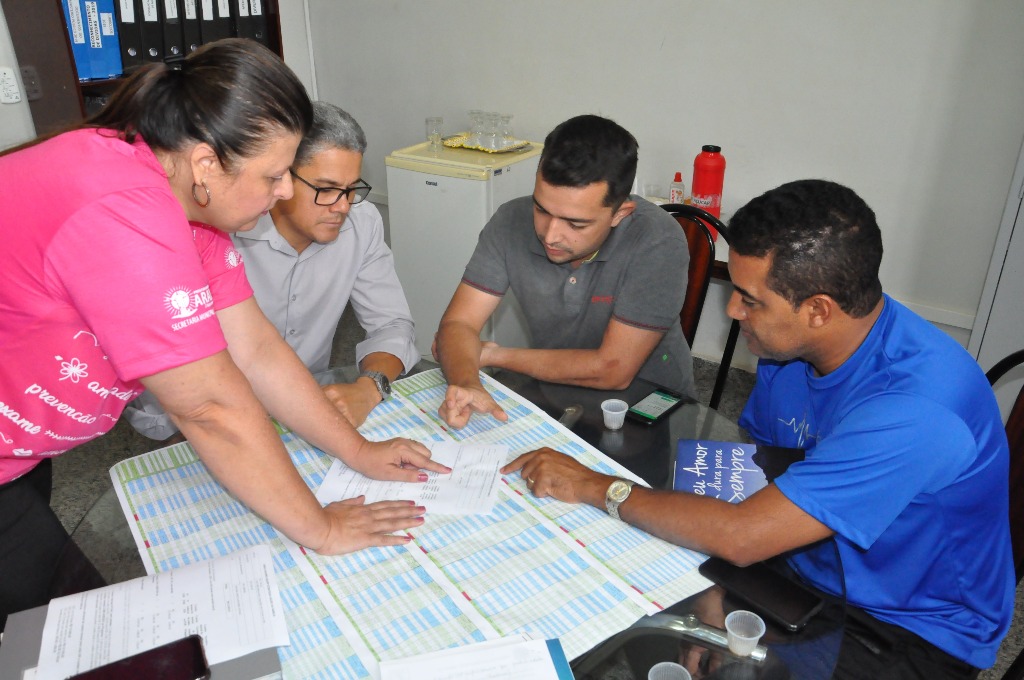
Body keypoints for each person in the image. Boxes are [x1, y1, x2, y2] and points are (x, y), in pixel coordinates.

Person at [0, 40, 446, 630]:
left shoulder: (186, 203)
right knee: (54, 634)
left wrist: (357, 450)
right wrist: (322, 527)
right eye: (276, 175)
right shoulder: (123, 208)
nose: (286, 192)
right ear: (208, 162)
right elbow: (209, 405)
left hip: (22, 444)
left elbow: (257, 349)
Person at [503, 180, 1014, 677]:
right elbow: (757, 471)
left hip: (907, 628)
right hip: (802, 559)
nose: (731, 310)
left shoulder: (918, 410)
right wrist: (716, 584)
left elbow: (744, 535)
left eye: (750, 299)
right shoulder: (788, 347)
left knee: (656, 609)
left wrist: (595, 485)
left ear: (818, 310)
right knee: (631, 594)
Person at [125, 101, 418, 439]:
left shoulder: (361, 224)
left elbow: (392, 324)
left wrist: (370, 387)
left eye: (352, 189)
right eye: (326, 189)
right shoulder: (218, 227)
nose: (342, 206)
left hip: (300, 403)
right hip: (188, 417)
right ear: (280, 176)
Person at [434, 114, 696, 429]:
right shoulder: (510, 222)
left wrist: (493, 356)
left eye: (576, 223)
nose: (551, 234)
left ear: (620, 213)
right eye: (541, 209)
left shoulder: (657, 240)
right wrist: (467, 384)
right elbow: (459, 323)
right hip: (555, 390)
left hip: (648, 406)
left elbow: (612, 369)